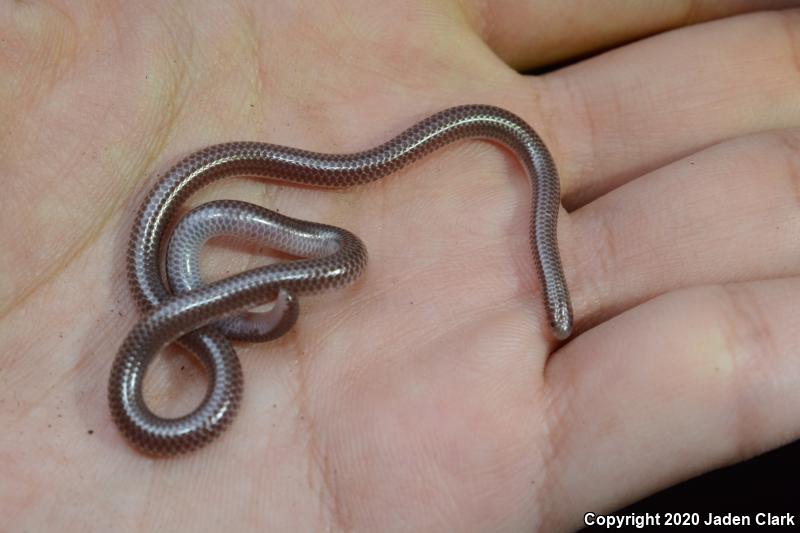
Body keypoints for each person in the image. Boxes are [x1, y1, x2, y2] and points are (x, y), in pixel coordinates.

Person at [1, 1, 798, 530]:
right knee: (318, 264)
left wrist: (252, 312)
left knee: (322, 260)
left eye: (556, 308)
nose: (556, 317)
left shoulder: (227, 286)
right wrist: (255, 314)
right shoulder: (221, 294)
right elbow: (291, 289)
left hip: (198, 274)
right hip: (197, 275)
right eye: (555, 307)